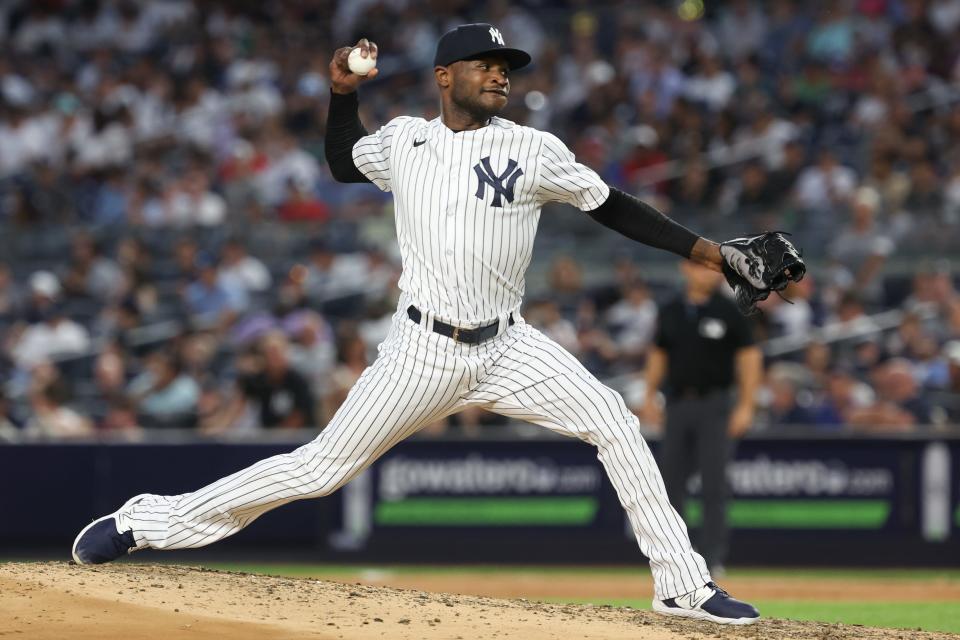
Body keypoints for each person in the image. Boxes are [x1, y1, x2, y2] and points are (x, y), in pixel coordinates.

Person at [72, 25, 769, 626]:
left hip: (507, 345)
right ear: (445, 77)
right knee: (317, 470)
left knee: (614, 420)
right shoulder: (406, 140)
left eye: (507, 68)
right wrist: (342, 93)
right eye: (486, 65)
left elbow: (612, 206)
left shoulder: (533, 147)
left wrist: (711, 252)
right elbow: (344, 162)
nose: (500, 74)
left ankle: (681, 586)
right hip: (422, 350)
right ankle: (147, 521)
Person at [641, 260, 763, 576]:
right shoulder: (670, 310)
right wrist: (649, 395)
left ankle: (712, 558)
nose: (705, 274)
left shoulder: (732, 309)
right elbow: (658, 353)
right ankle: (674, 557)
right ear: (685, 269)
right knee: (670, 484)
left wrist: (747, 405)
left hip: (715, 404)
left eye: (711, 269)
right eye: (699, 267)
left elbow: (749, 358)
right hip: (677, 403)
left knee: (714, 483)